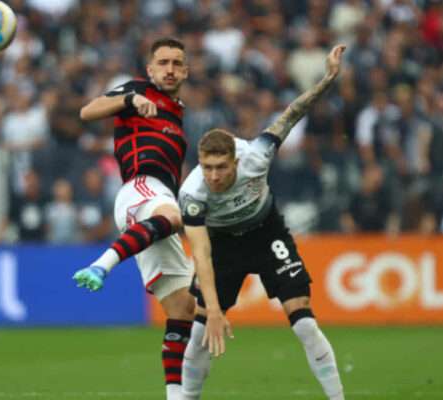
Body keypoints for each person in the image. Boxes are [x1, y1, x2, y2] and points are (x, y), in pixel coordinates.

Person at [179, 45, 347, 400]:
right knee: (198, 335)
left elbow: (294, 111)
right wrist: (212, 310)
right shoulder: (192, 194)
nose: (214, 175)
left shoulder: (257, 155)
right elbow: (202, 254)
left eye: (221, 167)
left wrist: (328, 79)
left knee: (304, 322)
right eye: (207, 167)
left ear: (236, 162)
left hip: (266, 233)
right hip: (221, 243)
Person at [71, 37, 227, 400]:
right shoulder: (138, 91)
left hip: (158, 201)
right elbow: (87, 112)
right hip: (139, 188)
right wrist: (129, 99)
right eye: (163, 63)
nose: (170, 69)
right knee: (172, 216)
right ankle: (102, 264)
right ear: (150, 69)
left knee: (184, 309)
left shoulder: (177, 111)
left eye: (177, 63)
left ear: (186, 70)